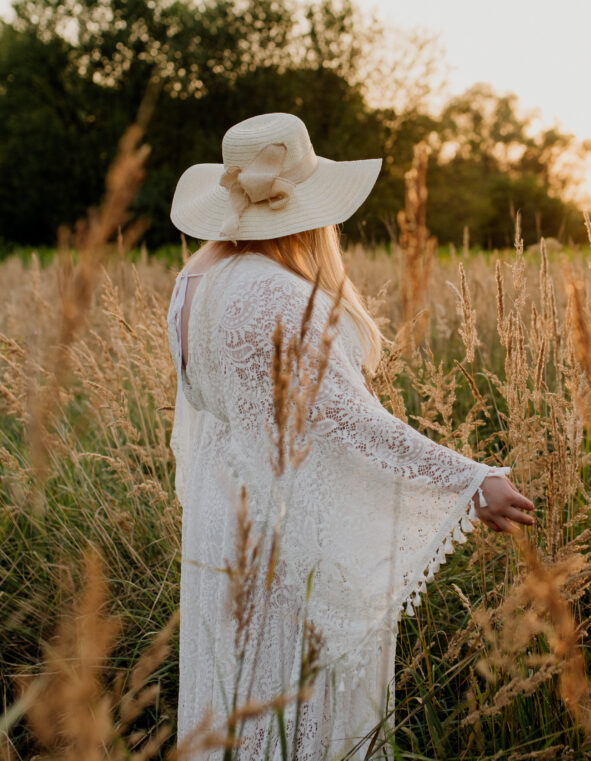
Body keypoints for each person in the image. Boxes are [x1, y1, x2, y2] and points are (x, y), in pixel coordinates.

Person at [165, 112, 534, 760]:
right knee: (290, 693)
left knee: (235, 690)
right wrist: (472, 479)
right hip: (282, 529)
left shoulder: (192, 282)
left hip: (223, 518)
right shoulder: (284, 295)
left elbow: (206, 403)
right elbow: (355, 423)